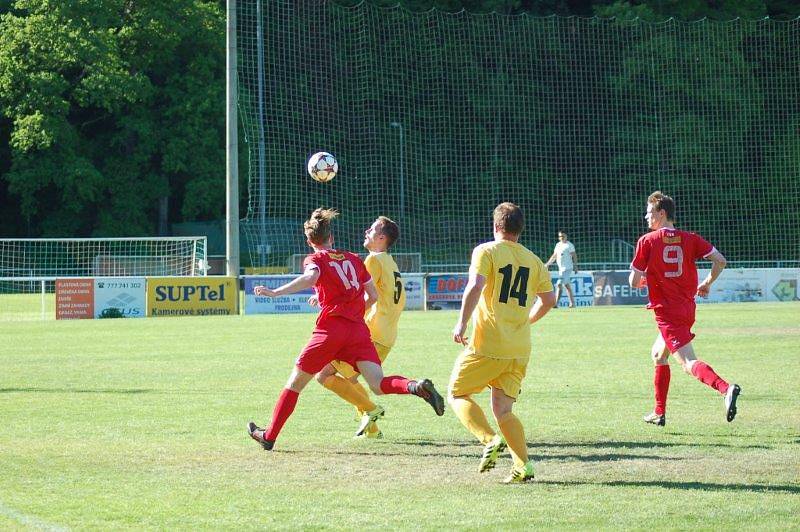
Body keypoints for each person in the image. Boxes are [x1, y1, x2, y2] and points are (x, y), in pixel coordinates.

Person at [247, 208, 445, 450]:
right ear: (332, 238)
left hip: (331, 330)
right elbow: (372, 295)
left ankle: (269, 436)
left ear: (310, 242)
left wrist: (275, 292)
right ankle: (414, 386)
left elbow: (311, 277)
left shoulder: (316, 259)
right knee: (377, 383)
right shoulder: (352, 258)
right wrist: (352, 310)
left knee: (295, 383)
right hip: (359, 332)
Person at [450, 202, 555, 483]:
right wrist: (528, 320)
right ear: (520, 229)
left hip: (489, 343)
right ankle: (523, 466)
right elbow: (549, 300)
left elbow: (475, 285)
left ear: (496, 226)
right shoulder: (534, 260)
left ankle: (488, 440)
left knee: (457, 393)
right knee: (503, 410)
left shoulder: (486, 251)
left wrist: (461, 322)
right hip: (519, 348)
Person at [629, 191, 740, 427]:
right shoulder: (690, 238)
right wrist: (707, 284)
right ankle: (659, 412)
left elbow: (633, 281)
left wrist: (643, 279)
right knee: (659, 355)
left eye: (649, 212)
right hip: (686, 308)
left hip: (666, 312)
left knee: (688, 363)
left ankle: (725, 388)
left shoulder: (647, 241)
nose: (645, 217)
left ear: (661, 213)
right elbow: (720, 260)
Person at [312, 216, 406, 439]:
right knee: (351, 380)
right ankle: (372, 429)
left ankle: (372, 412)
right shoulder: (390, 263)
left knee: (323, 374)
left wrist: (345, 314)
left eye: (371, 229)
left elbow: (363, 294)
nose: (366, 231)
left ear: (381, 238)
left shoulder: (373, 260)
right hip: (387, 334)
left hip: (372, 331)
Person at [545, 231, 577, 308]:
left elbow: (574, 255)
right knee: (566, 285)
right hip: (561, 269)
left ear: (566, 236)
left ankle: (555, 304)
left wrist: (576, 266)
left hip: (567, 268)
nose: (561, 238)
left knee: (559, 284)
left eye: (563, 236)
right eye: (560, 236)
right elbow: (554, 256)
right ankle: (572, 303)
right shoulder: (558, 245)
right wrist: (548, 264)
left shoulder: (569, 245)